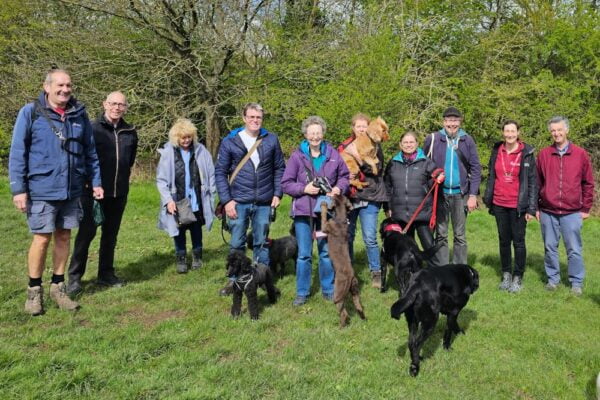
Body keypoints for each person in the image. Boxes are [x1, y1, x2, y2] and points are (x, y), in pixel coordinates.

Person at [9, 69, 103, 315]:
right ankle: (34, 291)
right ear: (47, 87)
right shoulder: (30, 113)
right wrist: (18, 189)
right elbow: (18, 152)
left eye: (68, 85)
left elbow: (90, 151)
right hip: (42, 188)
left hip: (72, 189)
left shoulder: (79, 114)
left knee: (63, 236)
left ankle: (58, 288)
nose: (65, 90)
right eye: (60, 85)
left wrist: (96, 182)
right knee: (42, 239)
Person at [67, 91, 138, 295]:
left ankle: (106, 274)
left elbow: (129, 161)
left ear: (126, 108)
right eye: (113, 103)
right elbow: (82, 159)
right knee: (86, 234)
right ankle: (74, 278)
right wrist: (89, 183)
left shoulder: (130, 131)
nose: (117, 108)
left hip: (119, 192)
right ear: (104, 104)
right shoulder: (91, 128)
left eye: (121, 104)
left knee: (110, 236)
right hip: (92, 192)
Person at [215, 103, 286, 295]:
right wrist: (227, 200)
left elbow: (279, 168)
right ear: (244, 118)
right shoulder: (230, 141)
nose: (255, 120)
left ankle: (262, 278)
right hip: (237, 201)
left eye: (258, 117)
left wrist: (277, 193)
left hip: (264, 200)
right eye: (251, 117)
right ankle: (234, 281)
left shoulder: (271, 139)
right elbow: (220, 172)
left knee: (261, 243)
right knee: (237, 243)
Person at [281, 116, 349, 306]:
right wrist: (304, 188)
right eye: (311, 133)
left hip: (326, 211)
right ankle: (302, 292)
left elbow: (344, 176)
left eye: (318, 133)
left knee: (325, 252)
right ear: (305, 134)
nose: (315, 137)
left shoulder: (333, 154)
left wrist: (338, 188)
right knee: (304, 254)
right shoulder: (297, 157)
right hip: (303, 212)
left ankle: (327, 289)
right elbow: (286, 183)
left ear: (323, 133)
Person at [536, 116, 594, 296]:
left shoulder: (580, 154)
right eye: (553, 130)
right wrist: (536, 207)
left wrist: (585, 208)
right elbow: (537, 183)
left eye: (559, 130)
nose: (556, 133)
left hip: (572, 212)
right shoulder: (544, 154)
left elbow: (588, 183)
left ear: (567, 130)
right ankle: (553, 280)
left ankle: (576, 282)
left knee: (574, 249)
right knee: (549, 248)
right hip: (548, 211)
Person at [483, 120, 537, 293]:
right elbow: (491, 175)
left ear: (518, 133)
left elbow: (533, 182)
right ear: (503, 133)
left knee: (518, 242)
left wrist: (531, 208)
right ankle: (506, 274)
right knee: (504, 240)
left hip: (518, 205)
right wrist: (488, 197)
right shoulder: (497, 150)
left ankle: (517, 276)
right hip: (499, 203)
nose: (510, 134)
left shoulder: (527, 153)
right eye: (507, 131)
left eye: (513, 131)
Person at [156, 118, 216, 273]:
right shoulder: (168, 153)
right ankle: (181, 258)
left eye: (189, 137)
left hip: (196, 199)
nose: (186, 140)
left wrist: (211, 193)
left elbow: (211, 174)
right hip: (177, 199)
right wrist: (168, 200)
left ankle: (197, 257)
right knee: (179, 231)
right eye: (183, 138)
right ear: (176, 138)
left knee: (196, 230)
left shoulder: (201, 151)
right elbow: (161, 180)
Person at [423, 107, 481, 265]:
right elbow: (424, 164)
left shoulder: (467, 140)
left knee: (459, 235)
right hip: (439, 194)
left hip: (460, 194)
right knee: (441, 234)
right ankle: (442, 268)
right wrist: (432, 178)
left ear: (460, 122)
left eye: (455, 120)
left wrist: (473, 195)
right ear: (443, 122)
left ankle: (459, 269)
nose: (452, 124)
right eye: (449, 120)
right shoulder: (433, 139)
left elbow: (476, 168)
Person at [338, 113, 387, 288]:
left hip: (370, 195)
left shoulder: (375, 145)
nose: (361, 129)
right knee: (349, 235)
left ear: (369, 128)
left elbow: (377, 169)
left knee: (370, 237)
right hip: (350, 196)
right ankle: (349, 272)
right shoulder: (344, 146)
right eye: (358, 126)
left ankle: (376, 272)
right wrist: (346, 175)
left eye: (364, 126)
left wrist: (358, 158)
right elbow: (337, 168)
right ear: (353, 128)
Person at [383, 132, 442, 264]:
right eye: (405, 142)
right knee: (405, 251)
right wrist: (387, 207)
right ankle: (410, 274)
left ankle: (436, 273)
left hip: (422, 214)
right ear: (400, 144)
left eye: (411, 142)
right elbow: (387, 187)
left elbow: (435, 178)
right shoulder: (392, 163)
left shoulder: (426, 162)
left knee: (429, 248)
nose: (408, 145)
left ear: (417, 144)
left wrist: (439, 176)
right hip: (400, 215)